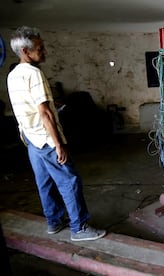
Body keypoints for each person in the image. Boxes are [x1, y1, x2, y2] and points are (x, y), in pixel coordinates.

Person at [6, 26, 106, 241]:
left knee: (45, 182)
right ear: (25, 51)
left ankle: (54, 221)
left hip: (30, 139)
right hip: (45, 139)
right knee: (69, 181)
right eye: (40, 49)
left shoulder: (13, 75)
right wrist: (58, 143)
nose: (44, 52)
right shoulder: (34, 73)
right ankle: (79, 228)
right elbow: (45, 113)